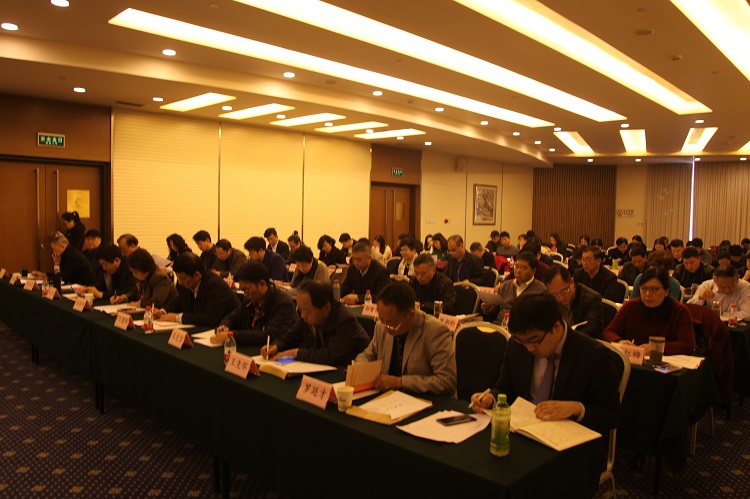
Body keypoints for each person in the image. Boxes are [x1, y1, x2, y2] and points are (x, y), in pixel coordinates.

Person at [471, 292, 621, 437]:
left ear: (556, 327)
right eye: (523, 341)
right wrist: (491, 398)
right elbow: (504, 388)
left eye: (535, 340)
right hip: (522, 431)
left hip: (566, 439)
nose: (529, 348)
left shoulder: (593, 355)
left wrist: (576, 408)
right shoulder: (517, 345)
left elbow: (612, 415)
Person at [355, 282, 457, 396]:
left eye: (390, 323)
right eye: (381, 319)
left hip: (424, 399)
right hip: (388, 397)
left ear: (410, 315)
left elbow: (446, 381)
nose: (385, 326)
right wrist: (359, 368)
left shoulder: (435, 331)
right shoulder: (381, 326)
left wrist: (400, 382)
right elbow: (367, 355)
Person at [261, 281, 370, 366]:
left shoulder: (345, 320)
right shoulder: (306, 316)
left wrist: (295, 353)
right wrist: (276, 346)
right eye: (300, 310)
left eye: (306, 310)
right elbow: (291, 336)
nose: (302, 315)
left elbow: (331, 356)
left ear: (326, 307)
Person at [604, 268, 695, 355]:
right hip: (634, 360)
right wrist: (619, 341)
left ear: (666, 291)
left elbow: (688, 345)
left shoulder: (679, 311)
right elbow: (608, 332)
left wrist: (657, 347)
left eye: (654, 289)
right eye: (643, 289)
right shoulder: (630, 306)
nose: (647, 294)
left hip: (665, 361)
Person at [213, 262, 297, 346]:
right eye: (243, 290)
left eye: (247, 289)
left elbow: (269, 336)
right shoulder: (250, 300)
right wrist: (224, 326)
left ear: (262, 284)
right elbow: (232, 317)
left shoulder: (283, 304)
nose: (245, 294)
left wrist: (232, 335)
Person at [154, 253, 240, 328]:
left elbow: (209, 318)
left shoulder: (215, 285)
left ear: (197, 275)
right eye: (178, 278)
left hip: (226, 330)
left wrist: (177, 318)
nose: (180, 282)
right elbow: (178, 302)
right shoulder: (186, 284)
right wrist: (163, 311)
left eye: (182, 278)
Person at [481, 251, 547, 320]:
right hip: (500, 324)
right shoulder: (505, 286)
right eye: (516, 266)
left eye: (523, 268)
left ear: (533, 271)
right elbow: (495, 312)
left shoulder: (540, 289)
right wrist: (487, 310)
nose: (518, 271)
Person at [544, 265, 603, 338]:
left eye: (564, 291)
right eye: (555, 294)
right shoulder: (549, 298)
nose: (561, 298)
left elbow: (591, 328)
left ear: (572, 282)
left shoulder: (592, 298)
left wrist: (565, 337)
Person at [32, 234, 97, 286]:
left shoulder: (73, 255)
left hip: (87, 287)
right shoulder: (66, 253)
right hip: (77, 285)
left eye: (54, 249)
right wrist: (44, 274)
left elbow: (63, 277)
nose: (53, 252)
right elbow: (60, 274)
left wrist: (56, 265)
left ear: (62, 246)